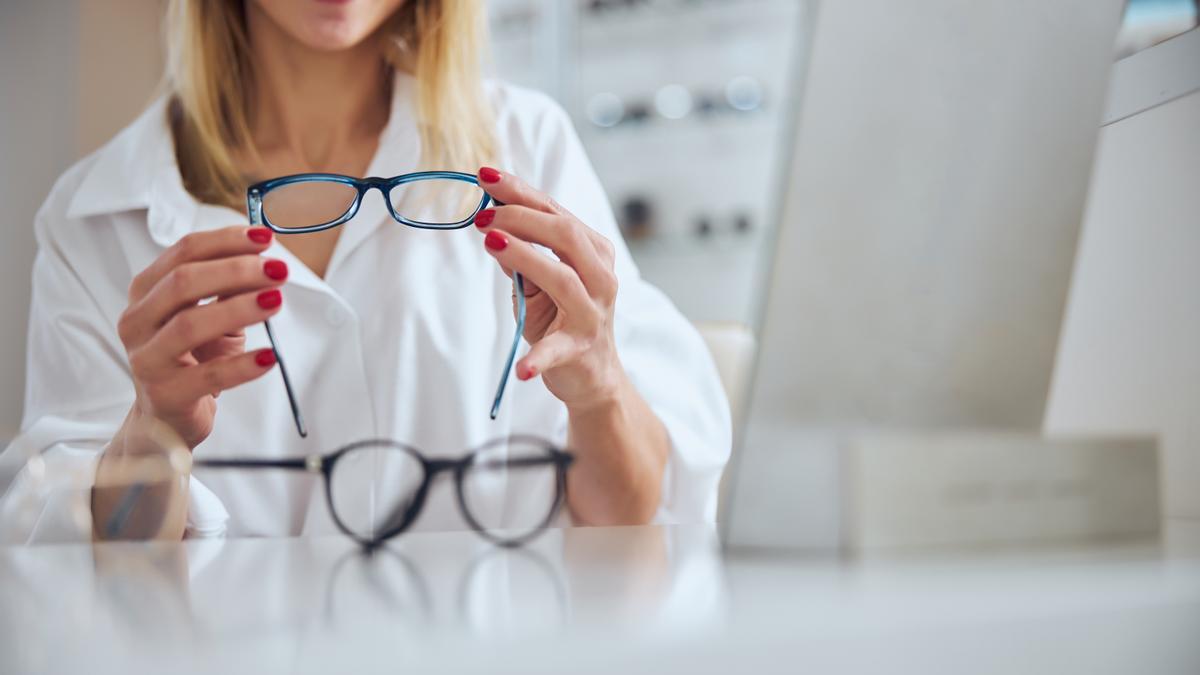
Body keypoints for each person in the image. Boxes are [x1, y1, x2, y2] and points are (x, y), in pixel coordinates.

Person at [0, 0, 729, 543]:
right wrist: (152, 432)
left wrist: (599, 390)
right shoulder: (95, 215)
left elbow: (639, 529)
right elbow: (80, 574)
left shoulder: (530, 147)